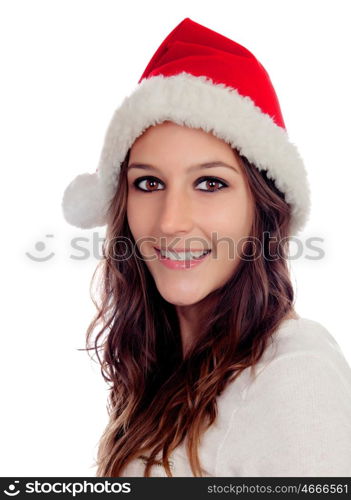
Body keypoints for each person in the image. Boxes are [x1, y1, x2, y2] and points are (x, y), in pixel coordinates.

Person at [62, 18, 351, 477]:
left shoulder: (295, 373)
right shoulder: (160, 372)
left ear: (262, 207)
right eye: (149, 182)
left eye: (210, 182)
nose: (171, 221)